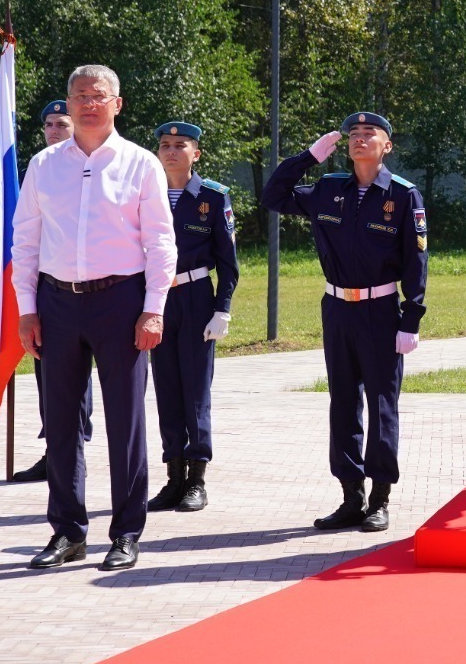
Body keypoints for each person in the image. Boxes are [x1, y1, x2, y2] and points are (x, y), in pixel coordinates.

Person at [13, 66, 177, 572]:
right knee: (61, 422)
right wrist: (27, 309)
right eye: (79, 95)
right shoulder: (44, 165)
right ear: (67, 103)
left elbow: (161, 242)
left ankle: (126, 533)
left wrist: (153, 309)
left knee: (125, 422)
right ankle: (67, 532)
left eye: (98, 95)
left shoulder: (140, 163)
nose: (88, 104)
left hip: (120, 302)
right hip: (57, 302)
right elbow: (25, 240)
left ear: (117, 104)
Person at [263, 112, 427, 533]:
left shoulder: (403, 195)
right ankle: (351, 497)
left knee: (381, 405)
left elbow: (416, 260)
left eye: (370, 133)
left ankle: (380, 499)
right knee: (342, 403)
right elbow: (273, 196)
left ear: (387, 146)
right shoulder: (329, 189)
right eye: (354, 133)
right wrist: (308, 157)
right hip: (337, 308)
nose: (359, 139)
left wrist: (411, 318)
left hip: (381, 311)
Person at [145, 121, 239, 514]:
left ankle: (197, 479)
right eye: (164, 144)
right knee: (166, 388)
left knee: (195, 390)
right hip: (156, 300)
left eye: (179, 145)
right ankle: (173, 477)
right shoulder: (144, 193)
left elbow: (228, 263)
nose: (170, 151)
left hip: (196, 297)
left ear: (195, 153)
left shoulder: (213, 197)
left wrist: (222, 309)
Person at [10, 99, 95, 483]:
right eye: (49, 125)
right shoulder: (40, 171)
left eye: (62, 124)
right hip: (49, 289)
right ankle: (55, 450)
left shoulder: (88, 170)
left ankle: (73, 449)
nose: (55, 131)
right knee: (48, 375)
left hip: (88, 291)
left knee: (76, 378)